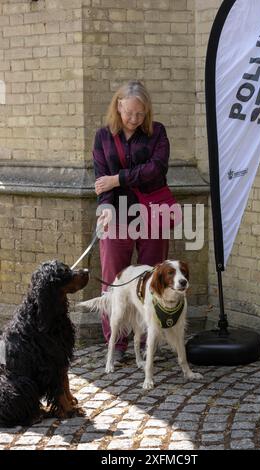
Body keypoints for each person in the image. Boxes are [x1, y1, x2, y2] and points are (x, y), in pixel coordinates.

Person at [92, 80, 170, 362]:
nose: (134, 119)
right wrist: (106, 206)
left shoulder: (156, 132)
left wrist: (119, 178)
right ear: (118, 107)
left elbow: (156, 170)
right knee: (113, 281)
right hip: (117, 215)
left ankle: (149, 342)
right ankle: (117, 344)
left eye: (140, 114)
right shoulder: (102, 137)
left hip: (153, 213)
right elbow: (101, 179)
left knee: (154, 279)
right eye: (129, 113)